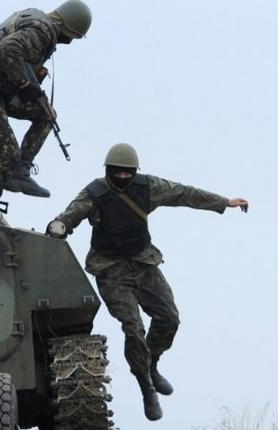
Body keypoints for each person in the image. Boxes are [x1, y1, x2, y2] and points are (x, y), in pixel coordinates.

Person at [46, 143, 249, 421]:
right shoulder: (95, 193)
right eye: (116, 174)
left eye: (127, 174)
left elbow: (184, 193)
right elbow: (71, 214)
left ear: (134, 172)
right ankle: (146, 386)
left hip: (143, 264)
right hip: (111, 270)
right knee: (134, 327)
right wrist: (59, 227)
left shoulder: (148, 187)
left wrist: (224, 202)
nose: (122, 179)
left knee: (169, 318)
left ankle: (151, 363)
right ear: (108, 171)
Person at [0, 0, 92, 213]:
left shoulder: (36, 17)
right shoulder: (43, 30)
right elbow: (8, 48)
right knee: (8, 152)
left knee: (46, 115)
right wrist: (25, 84)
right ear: (67, 28)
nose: (68, 42)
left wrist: (31, 83)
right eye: (71, 37)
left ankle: (21, 172)